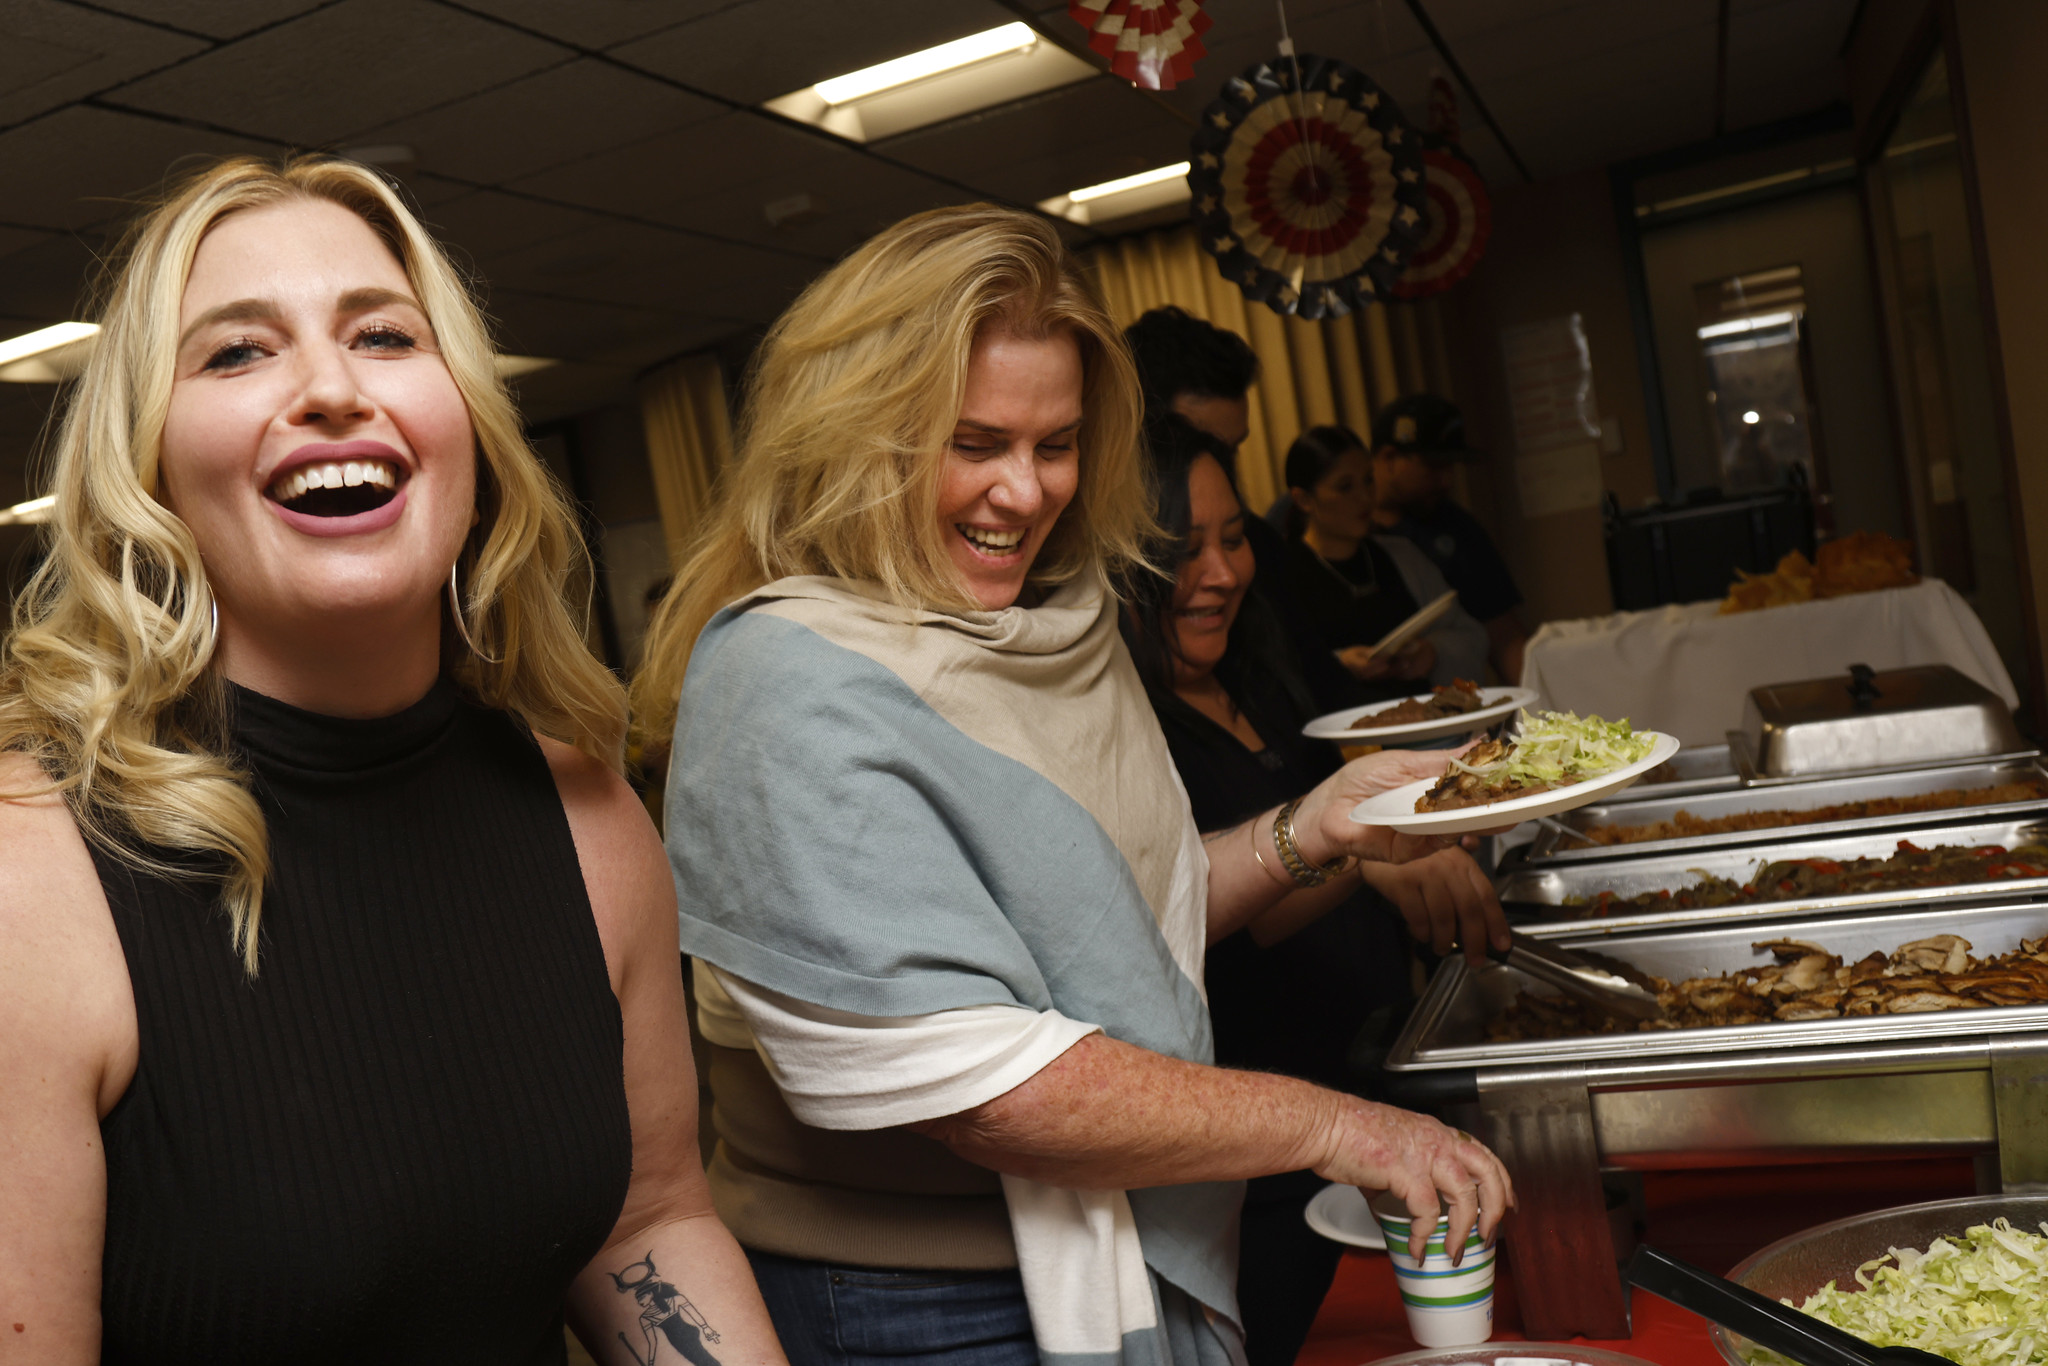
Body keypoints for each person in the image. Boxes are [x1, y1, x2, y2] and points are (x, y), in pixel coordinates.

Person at [635, 204, 1513, 1366]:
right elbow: (988, 1083)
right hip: (916, 1304)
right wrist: (1328, 1123)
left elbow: (1113, 931)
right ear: (854, 437)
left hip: (1121, 1237)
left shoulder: (1061, 621)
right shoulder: (782, 678)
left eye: (1054, 446)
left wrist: (1316, 826)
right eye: (974, 442)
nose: (1025, 491)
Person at [0, 155, 786, 1366]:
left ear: (464, 417)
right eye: (236, 352)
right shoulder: (32, 872)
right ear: (149, 466)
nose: (327, 389)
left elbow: (649, 1218)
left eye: (382, 335)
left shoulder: (587, 817)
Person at [1119, 419, 1443, 1366]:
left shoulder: (1255, 668)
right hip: (1263, 1162)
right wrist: (1369, 852)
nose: (1221, 572)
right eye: (1183, 553)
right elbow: (1197, 915)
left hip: (1367, 1080)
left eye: (1233, 539)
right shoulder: (1129, 728)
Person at [1280, 424, 1492, 714]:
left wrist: (1433, 652)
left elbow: (1472, 636)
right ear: (1304, 499)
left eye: (1368, 480)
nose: (1365, 497)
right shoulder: (1283, 574)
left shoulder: (1401, 555)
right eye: (1345, 487)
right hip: (1341, 741)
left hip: (1423, 721)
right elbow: (1278, 672)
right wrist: (1339, 664)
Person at [1369, 395, 1529, 684]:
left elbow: (1502, 635)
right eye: (1432, 467)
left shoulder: (1455, 528)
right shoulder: (1309, 533)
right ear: (1389, 459)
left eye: (1450, 467)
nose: (1446, 481)